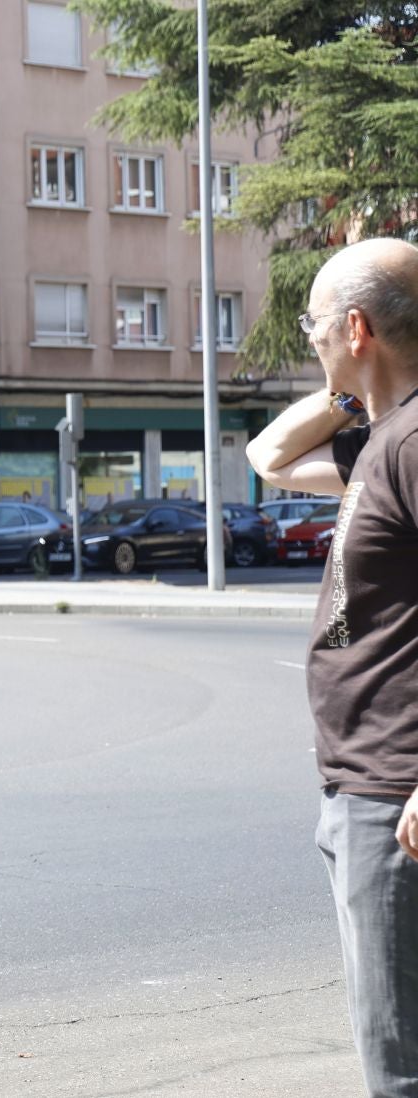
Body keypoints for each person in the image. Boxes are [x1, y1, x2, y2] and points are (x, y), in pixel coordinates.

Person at [245, 237, 418, 1097]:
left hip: (398, 796)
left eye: (315, 323)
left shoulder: (415, 442)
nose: (306, 334)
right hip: (365, 788)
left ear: (355, 326)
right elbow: (267, 459)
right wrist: (347, 395)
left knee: (401, 1068)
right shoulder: (381, 441)